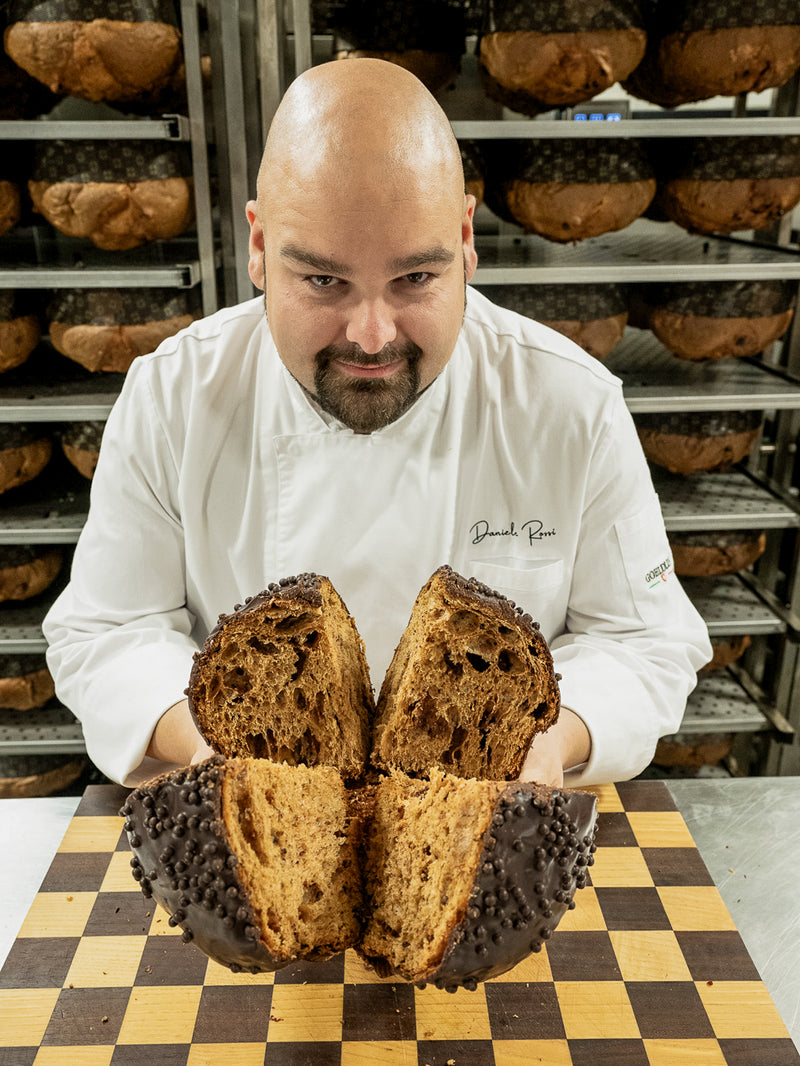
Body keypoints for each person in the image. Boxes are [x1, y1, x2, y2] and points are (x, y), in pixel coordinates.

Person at [43, 58, 711, 789]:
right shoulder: (175, 394)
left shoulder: (568, 402)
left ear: (464, 240)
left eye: (415, 279)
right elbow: (111, 629)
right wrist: (210, 745)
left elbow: (641, 640)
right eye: (324, 280)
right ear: (260, 247)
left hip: (484, 826)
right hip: (250, 828)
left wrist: (550, 743)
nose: (369, 334)